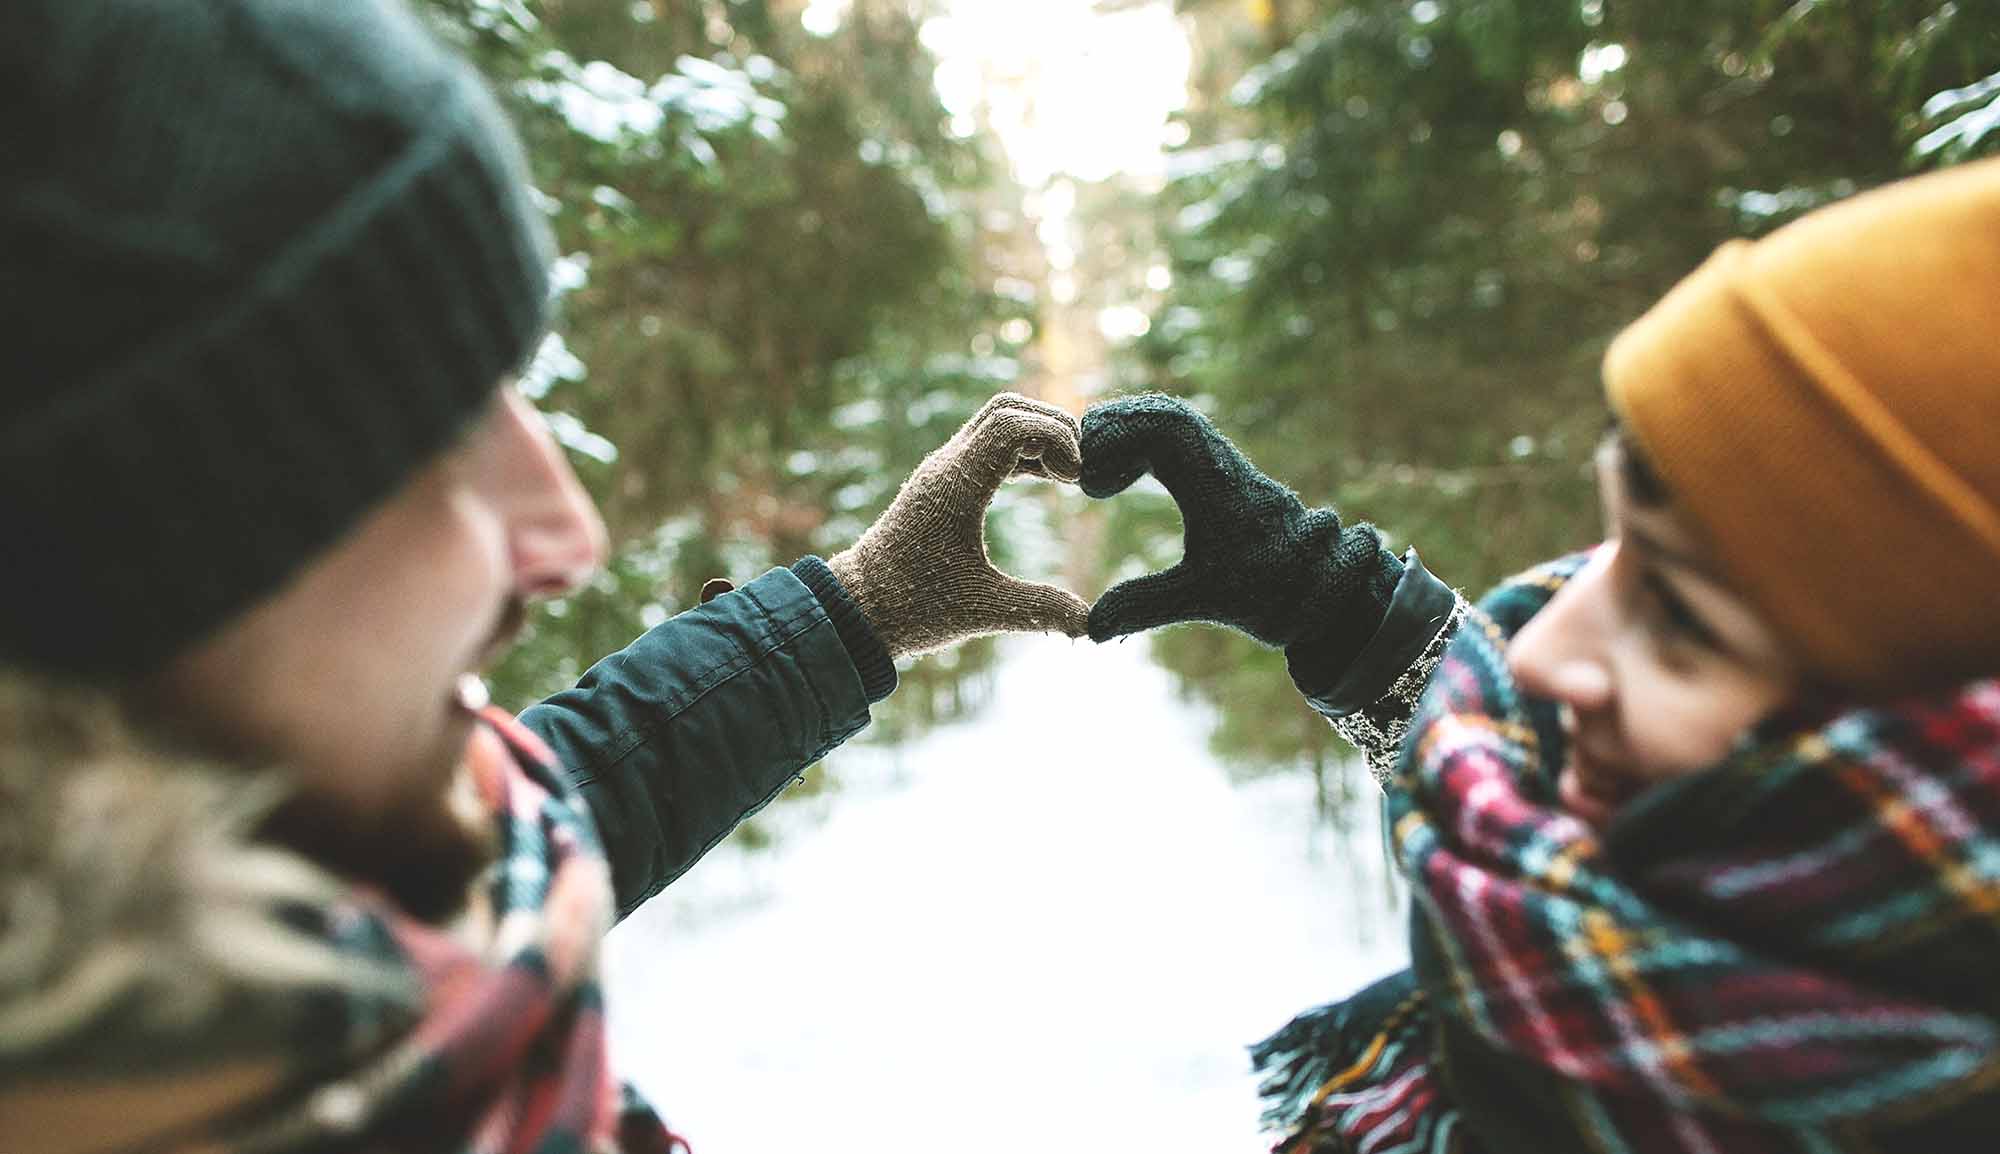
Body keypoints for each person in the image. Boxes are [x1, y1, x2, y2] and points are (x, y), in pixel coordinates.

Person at [0, 2, 1088, 1152]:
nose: (570, 532)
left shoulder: (338, 927)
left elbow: (557, 800)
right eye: (435, 436)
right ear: (110, 569)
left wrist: (858, 609)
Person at [1078, 155, 2000, 1152]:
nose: (1538, 652)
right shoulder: (1608, 991)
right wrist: (1330, 599)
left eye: (1681, 620)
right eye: (1612, 551)